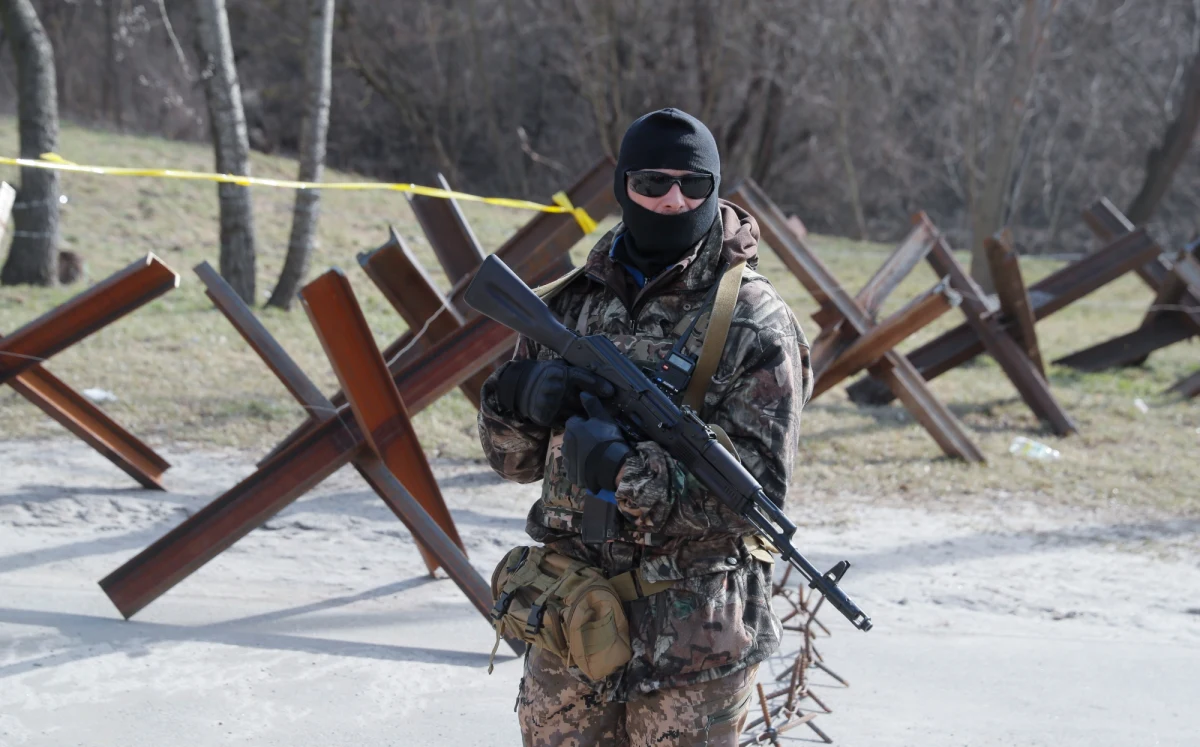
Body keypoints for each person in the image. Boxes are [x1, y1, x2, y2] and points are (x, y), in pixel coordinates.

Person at [477, 107, 813, 746]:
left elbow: (759, 494)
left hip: (694, 644)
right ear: (623, 187)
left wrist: (627, 474)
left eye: (694, 185)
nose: (673, 201)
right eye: (652, 183)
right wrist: (515, 400)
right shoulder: (571, 303)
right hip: (573, 623)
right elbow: (510, 462)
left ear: (715, 189)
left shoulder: (754, 320)